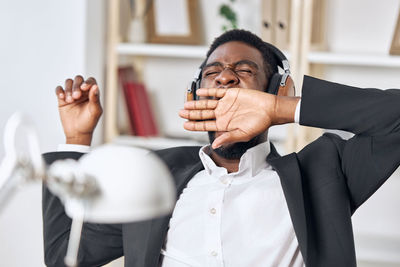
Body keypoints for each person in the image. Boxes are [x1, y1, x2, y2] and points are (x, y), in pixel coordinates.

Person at [43, 29, 400, 267]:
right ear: (195, 94)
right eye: (213, 72)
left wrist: (283, 109)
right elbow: (65, 255)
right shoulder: (155, 175)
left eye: (245, 71)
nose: (225, 76)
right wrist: (76, 141)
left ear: (274, 89)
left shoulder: (323, 171)